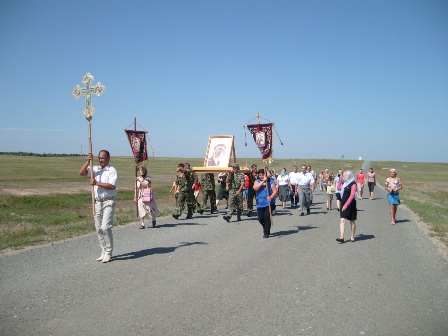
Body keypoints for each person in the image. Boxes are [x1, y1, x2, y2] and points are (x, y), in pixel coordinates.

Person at [79, 150, 118, 263]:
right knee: (98, 228)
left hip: (108, 201)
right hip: (97, 202)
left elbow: (111, 186)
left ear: (108, 158)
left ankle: (109, 252)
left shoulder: (112, 170)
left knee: (105, 227)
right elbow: (81, 173)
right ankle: (103, 251)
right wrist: (88, 161)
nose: (101, 160)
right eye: (99, 158)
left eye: (103, 158)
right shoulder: (95, 169)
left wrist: (97, 183)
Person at [253, 168, 278, 238]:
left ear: (265, 175)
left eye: (262, 175)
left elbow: (275, 191)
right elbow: (255, 188)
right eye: (260, 175)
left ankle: (266, 233)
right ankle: (266, 226)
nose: (261, 176)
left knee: (267, 217)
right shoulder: (257, 181)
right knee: (260, 218)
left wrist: (271, 197)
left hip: (268, 203)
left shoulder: (270, 181)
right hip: (260, 203)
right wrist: (262, 182)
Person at [336, 170, 357, 243]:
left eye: (344, 175)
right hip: (343, 203)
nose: (343, 176)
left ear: (348, 176)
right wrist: (340, 180)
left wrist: (346, 205)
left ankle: (352, 236)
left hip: (351, 204)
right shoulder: (345, 183)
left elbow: (352, 196)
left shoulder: (353, 184)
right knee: (342, 220)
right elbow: (338, 188)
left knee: (352, 221)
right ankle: (342, 237)